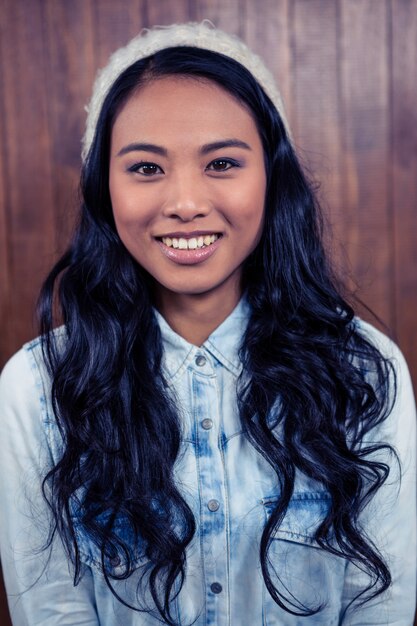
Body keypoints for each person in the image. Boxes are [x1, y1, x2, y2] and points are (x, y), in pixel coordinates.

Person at [0, 21, 415, 626]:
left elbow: (381, 604)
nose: (186, 201)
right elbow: (51, 607)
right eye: (146, 168)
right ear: (102, 188)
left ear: (272, 179)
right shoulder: (38, 389)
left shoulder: (364, 373)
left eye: (222, 162)